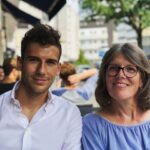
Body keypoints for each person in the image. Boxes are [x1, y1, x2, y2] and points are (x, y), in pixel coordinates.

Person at [0, 24, 82, 150]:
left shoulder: (69, 114)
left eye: (50, 62)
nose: (42, 71)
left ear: (58, 69)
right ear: (20, 63)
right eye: (34, 60)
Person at [82, 43, 150, 150]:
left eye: (130, 69)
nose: (121, 75)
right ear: (105, 77)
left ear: (142, 79)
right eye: (114, 68)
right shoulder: (91, 125)